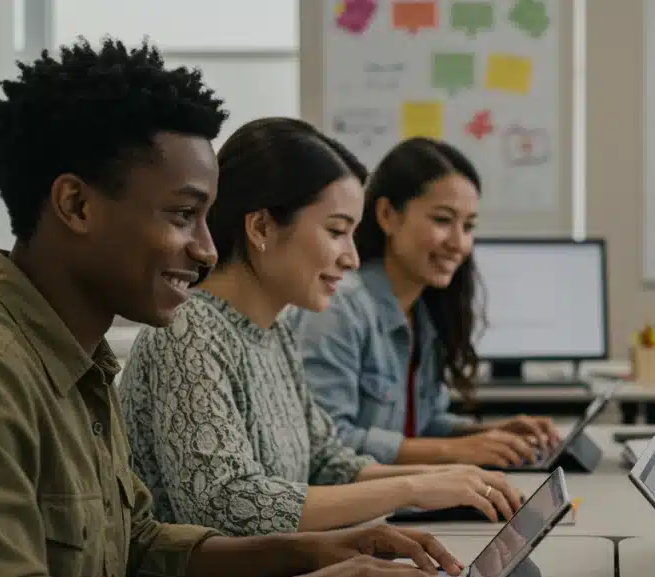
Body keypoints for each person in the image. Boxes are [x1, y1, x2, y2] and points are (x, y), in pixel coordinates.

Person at [0, 38, 469, 577]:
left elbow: (136, 543)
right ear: (76, 204)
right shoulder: (6, 370)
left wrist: (307, 553)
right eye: (181, 215)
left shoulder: (78, 358)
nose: (208, 249)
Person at [118, 117, 522, 537]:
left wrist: (457, 478)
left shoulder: (274, 333)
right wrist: (411, 487)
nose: (350, 258)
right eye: (336, 232)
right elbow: (229, 505)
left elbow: (327, 461)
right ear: (261, 226)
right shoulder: (188, 332)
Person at [290, 137, 561, 468]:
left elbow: (419, 427)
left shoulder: (423, 312)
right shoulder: (340, 307)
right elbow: (326, 444)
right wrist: (455, 451)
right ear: (388, 215)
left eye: (469, 226)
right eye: (443, 220)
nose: (459, 243)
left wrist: (487, 434)